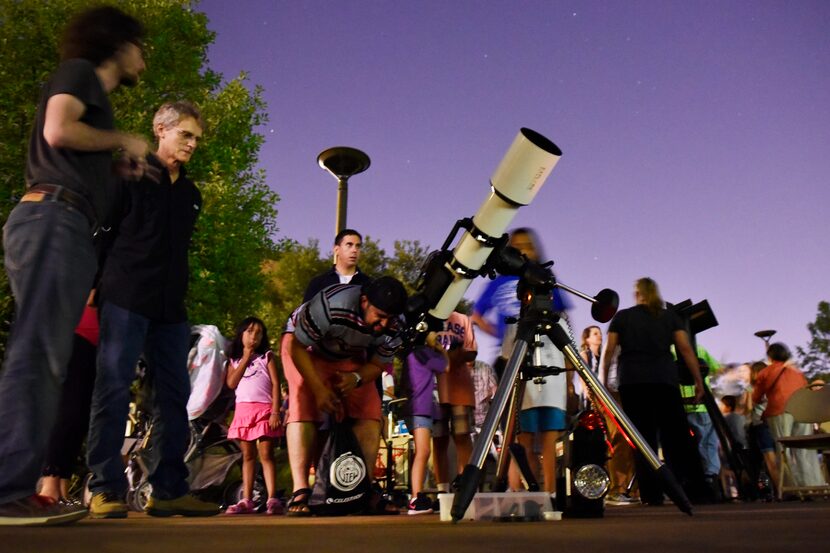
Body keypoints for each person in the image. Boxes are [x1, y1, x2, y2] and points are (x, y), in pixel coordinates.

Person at [0, 6, 149, 526]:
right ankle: (6, 491)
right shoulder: (79, 73)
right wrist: (122, 140)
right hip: (52, 219)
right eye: (140, 46)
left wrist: (114, 167)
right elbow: (59, 130)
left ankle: (17, 487)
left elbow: (70, 146)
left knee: (47, 359)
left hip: (66, 224)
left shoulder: (96, 103)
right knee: (36, 354)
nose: (144, 59)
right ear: (117, 42)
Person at [85, 101, 218, 518]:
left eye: (196, 138)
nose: (193, 144)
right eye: (186, 135)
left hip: (170, 308)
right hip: (125, 296)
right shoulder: (130, 175)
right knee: (113, 386)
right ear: (160, 129)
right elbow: (101, 234)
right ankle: (104, 488)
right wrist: (91, 289)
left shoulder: (192, 195)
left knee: (175, 397)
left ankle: (168, 489)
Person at [281, 277, 407, 516]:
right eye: (379, 316)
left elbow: (380, 361)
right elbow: (296, 347)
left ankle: (363, 489)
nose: (383, 324)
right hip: (304, 347)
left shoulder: (396, 324)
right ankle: (300, 489)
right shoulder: (330, 304)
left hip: (348, 351)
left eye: (390, 319)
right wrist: (319, 389)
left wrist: (356, 378)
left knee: (370, 411)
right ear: (364, 301)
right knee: (302, 404)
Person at [601, 277, 706, 506]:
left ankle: (651, 494)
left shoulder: (623, 317)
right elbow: (685, 348)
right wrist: (698, 380)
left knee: (642, 439)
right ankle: (688, 489)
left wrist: (603, 382)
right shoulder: (669, 316)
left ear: (637, 293)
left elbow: (609, 351)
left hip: (633, 382)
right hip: (664, 380)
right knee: (675, 437)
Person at [39, 292, 99, 503]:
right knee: (69, 409)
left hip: (99, 333)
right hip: (76, 329)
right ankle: (49, 484)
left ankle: (61, 484)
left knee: (81, 414)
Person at [224, 317, 283, 515]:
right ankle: (246, 499)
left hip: (265, 410)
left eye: (258, 333)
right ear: (241, 334)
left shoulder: (267, 357)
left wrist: (276, 411)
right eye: (249, 331)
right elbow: (231, 383)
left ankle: (272, 498)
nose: (254, 336)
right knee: (248, 456)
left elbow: (276, 384)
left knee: (266, 454)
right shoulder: (233, 360)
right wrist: (245, 358)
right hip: (243, 411)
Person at [751, 342, 825, 490]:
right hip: (802, 411)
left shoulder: (766, 372)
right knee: (805, 451)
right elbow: (806, 391)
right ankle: (815, 485)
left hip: (780, 412)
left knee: (784, 450)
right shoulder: (797, 372)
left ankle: (793, 488)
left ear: (770, 356)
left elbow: (756, 397)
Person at [399, 334, 448, 514]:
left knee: (422, 452)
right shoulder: (423, 353)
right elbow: (446, 366)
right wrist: (442, 350)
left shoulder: (411, 354)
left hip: (416, 407)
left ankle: (418, 496)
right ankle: (415, 498)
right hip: (420, 408)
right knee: (423, 451)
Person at [432, 312, 478, 493]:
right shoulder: (428, 317)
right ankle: (442, 491)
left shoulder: (462, 319)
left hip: (460, 388)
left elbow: (472, 351)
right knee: (438, 440)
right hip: (434, 388)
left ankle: (466, 487)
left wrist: (452, 356)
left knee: (462, 436)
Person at [303, 228, 371, 302]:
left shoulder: (369, 284)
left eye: (358, 246)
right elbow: (305, 312)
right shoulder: (319, 283)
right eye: (349, 245)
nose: (354, 250)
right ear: (336, 249)